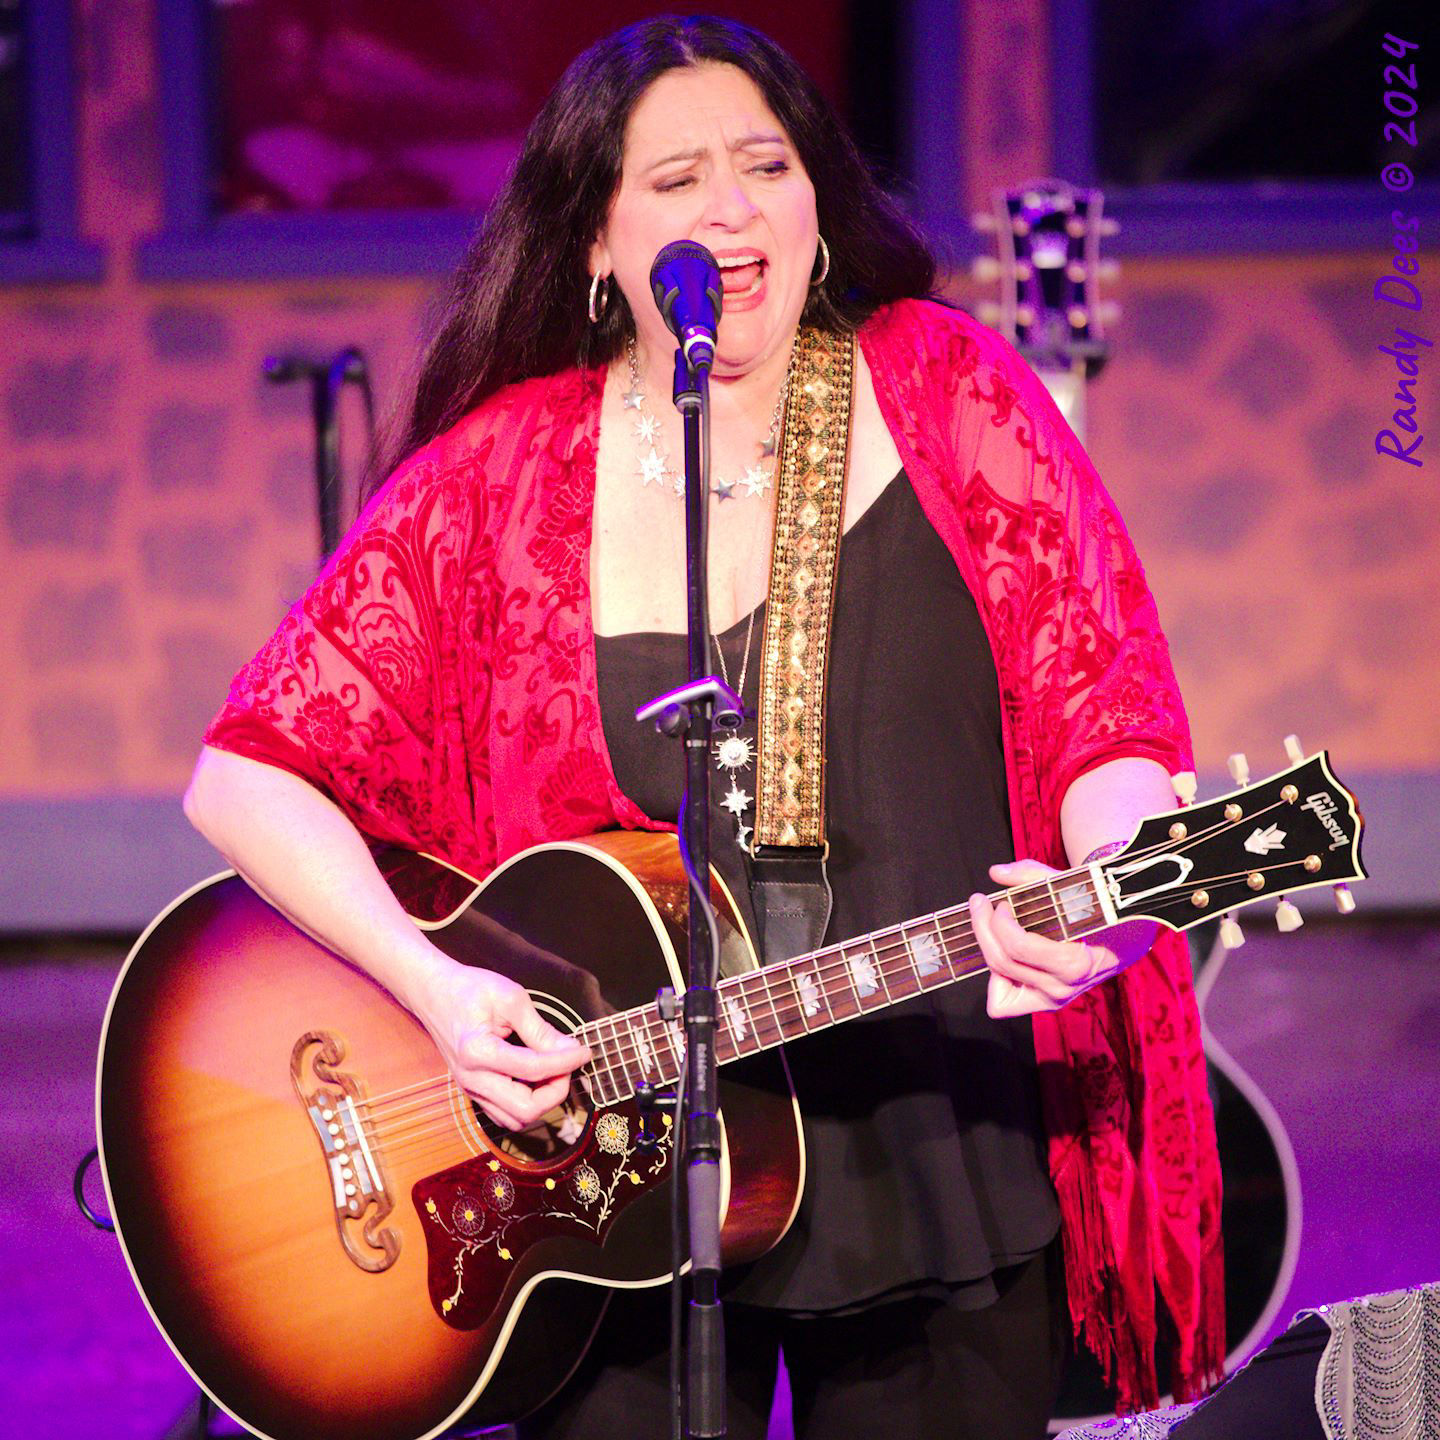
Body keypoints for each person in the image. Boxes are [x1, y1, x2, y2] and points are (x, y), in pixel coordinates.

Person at [185, 16, 1223, 1439]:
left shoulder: (948, 388)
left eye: (765, 164)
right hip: (613, 1194)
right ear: (598, 246)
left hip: (934, 1146)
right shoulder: (501, 474)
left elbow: (1102, 700)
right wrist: (434, 990)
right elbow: (244, 778)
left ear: (819, 202)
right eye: (676, 180)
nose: (732, 209)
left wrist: (1099, 881)